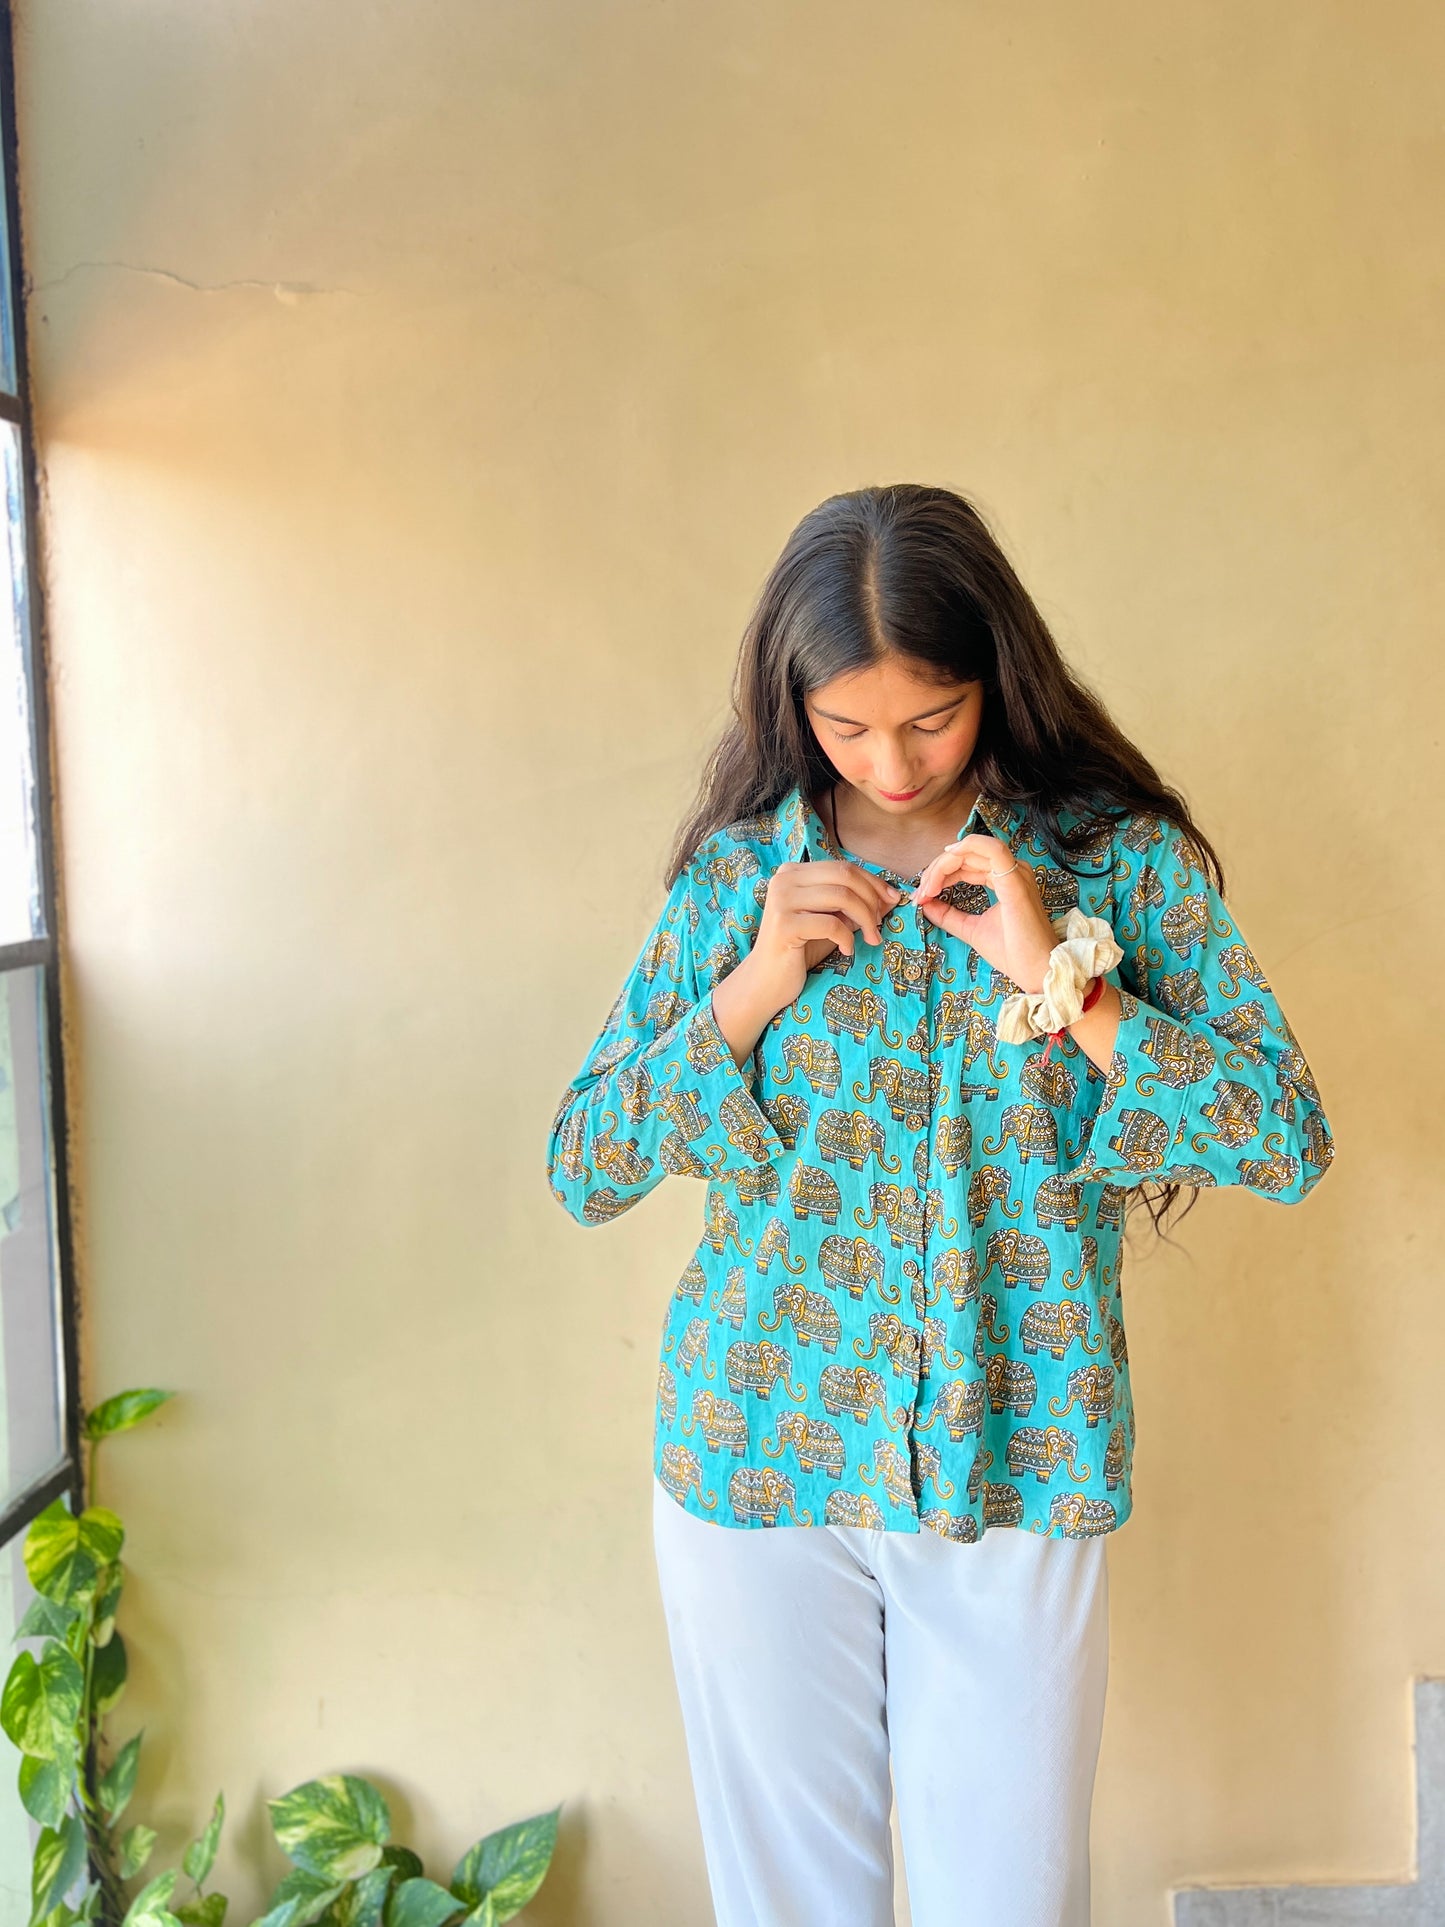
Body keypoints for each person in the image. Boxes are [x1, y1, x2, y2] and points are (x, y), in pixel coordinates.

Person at [544, 483, 1335, 1927]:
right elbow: (583, 1161)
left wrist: (1064, 980)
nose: (891, 762)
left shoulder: (1111, 864)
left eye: (931, 716)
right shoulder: (740, 878)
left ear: (996, 681)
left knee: (1010, 1906)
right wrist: (751, 989)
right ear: (791, 705)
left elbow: (1281, 1135)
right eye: (846, 726)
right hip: (756, 1464)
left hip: (1016, 1457)